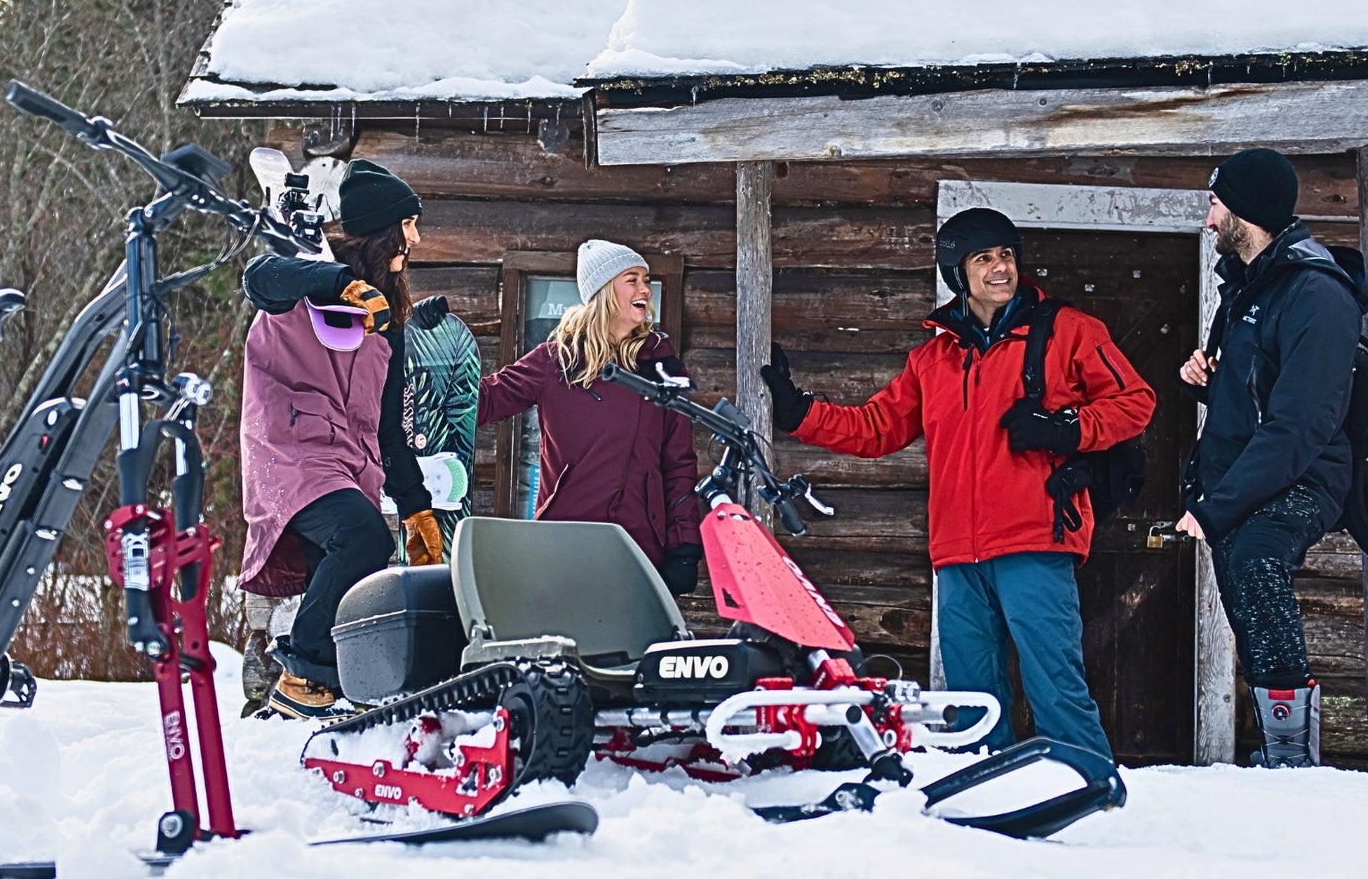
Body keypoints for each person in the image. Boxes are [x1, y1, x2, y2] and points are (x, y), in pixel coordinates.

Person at [759, 209, 1154, 761]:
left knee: (1055, 687)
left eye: (1007, 255)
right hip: (956, 552)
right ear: (957, 272)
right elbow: (877, 428)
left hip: (1035, 540)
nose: (1001, 268)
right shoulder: (933, 358)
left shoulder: (1069, 332)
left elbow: (1135, 403)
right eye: (984, 258)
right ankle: (983, 793)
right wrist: (799, 412)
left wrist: (1067, 427)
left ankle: (1087, 789)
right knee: (972, 699)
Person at [1177, 147, 1368, 768]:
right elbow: (1259, 390)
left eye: (1214, 204)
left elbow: (1300, 424)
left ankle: (1293, 758)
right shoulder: (1245, 286)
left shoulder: (1317, 294)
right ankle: (1275, 749)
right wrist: (1210, 378)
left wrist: (1216, 508)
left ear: (1245, 211)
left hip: (1303, 475)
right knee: (1242, 591)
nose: (1208, 220)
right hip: (1242, 475)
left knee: (1259, 558)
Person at [237, 158, 445, 719]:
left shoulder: (388, 321)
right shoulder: (302, 283)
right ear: (380, 229)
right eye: (408, 225)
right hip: (290, 458)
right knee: (359, 533)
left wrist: (416, 506)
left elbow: (388, 426)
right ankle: (303, 677)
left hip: (350, 466)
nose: (416, 239)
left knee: (364, 561)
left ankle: (325, 693)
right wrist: (336, 283)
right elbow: (258, 278)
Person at [477, 239, 703, 596]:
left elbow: (679, 464)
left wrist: (684, 547)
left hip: (639, 546)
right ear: (604, 291)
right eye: (632, 279)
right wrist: (441, 371)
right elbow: (486, 400)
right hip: (566, 544)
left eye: (646, 279)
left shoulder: (662, 367)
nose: (645, 288)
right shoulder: (557, 360)